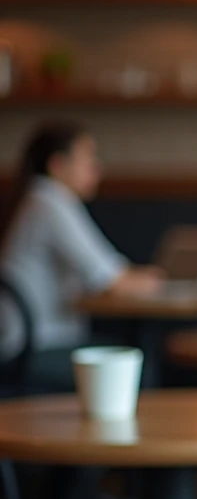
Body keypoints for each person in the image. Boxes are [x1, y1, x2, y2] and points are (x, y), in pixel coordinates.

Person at [0, 121, 163, 388]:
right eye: (88, 158)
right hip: (33, 347)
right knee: (138, 370)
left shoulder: (41, 200)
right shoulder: (50, 203)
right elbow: (113, 279)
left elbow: (107, 274)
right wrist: (162, 280)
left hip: (31, 342)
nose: (97, 168)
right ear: (57, 165)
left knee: (131, 363)